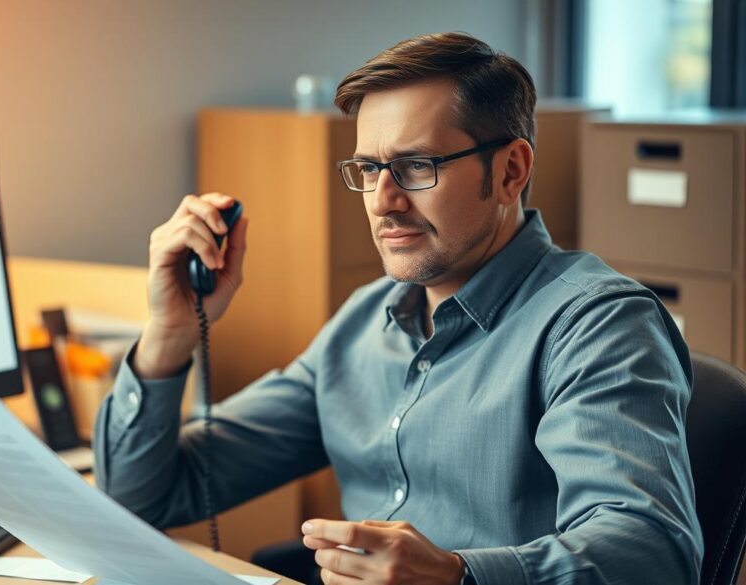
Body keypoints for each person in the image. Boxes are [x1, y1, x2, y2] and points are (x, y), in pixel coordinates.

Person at [93, 32, 703, 585]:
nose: (383, 202)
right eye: (367, 168)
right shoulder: (363, 323)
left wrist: (459, 577)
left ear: (511, 171)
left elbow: (653, 553)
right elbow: (145, 496)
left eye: (416, 167)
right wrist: (168, 338)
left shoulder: (598, 325)